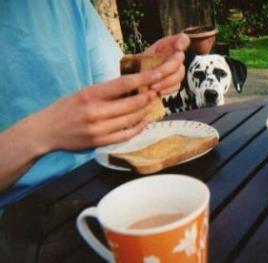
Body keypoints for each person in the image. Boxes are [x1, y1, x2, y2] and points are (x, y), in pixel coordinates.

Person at [0, 0, 189, 208]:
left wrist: (149, 74)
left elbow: (113, 91)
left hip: (98, 179)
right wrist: (43, 132)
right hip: (16, 215)